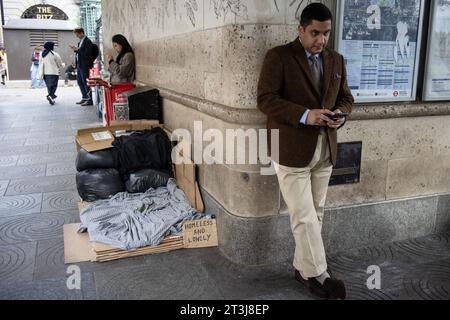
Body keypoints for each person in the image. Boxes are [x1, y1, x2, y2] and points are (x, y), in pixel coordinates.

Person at [257, 3, 354, 300]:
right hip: (290, 150)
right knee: (304, 216)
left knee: (316, 212)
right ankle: (320, 275)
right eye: (315, 32)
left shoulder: (336, 60)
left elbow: (347, 98)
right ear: (300, 29)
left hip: (325, 150)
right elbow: (265, 99)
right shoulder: (279, 57)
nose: (320, 40)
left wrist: (341, 113)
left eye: (325, 33)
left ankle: (303, 268)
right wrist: (305, 114)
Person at [71, 27, 96, 106]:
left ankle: (89, 99)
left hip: (85, 65)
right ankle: (84, 97)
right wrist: (76, 51)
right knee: (79, 81)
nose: (76, 36)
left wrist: (78, 50)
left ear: (81, 33)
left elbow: (87, 54)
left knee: (86, 82)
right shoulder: (80, 42)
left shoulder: (87, 41)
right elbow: (80, 53)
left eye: (77, 34)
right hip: (80, 64)